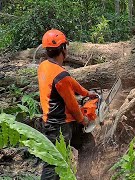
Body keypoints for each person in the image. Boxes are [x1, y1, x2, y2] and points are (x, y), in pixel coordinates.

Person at [37, 29, 96, 180]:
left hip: (62, 122)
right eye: (66, 46)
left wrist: (86, 93)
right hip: (58, 125)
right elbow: (72, 105)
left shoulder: (44, 66)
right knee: (53, 165)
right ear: (63, 49)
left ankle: (83, 176)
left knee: (87, 143)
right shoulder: (60, 75)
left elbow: (71, 82)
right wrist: (84, 120)